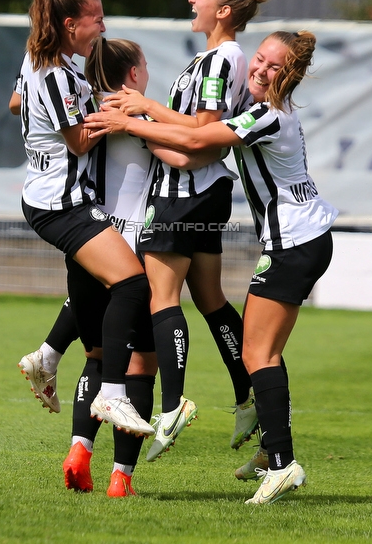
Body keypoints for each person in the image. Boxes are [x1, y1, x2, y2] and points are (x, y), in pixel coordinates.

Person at [87, 30, 339, 504]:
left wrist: (132, 122)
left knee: (257, 355)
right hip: (303, 240)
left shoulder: (266, 115)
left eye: (273, 68)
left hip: (294, 242)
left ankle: (283, 465)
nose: (260, 71)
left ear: (291, 77)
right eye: (260, 61)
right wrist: (144, 107)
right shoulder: (265, 110)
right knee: (259, 352)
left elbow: (196, 137)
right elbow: (190, 127)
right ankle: (271, 452)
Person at [17, 37, 209, 496]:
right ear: (135, 74)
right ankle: (120, 478)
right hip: (128, 247)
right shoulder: (134, 116)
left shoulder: (83, 109)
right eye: (144, 65)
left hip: (86, 240)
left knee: (99, 357)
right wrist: (212, 147)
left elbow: (22, 104)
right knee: (139, 365)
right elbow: (183, 154)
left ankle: (79, 449)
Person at [100, 0, 273, 462]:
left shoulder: (224, 58)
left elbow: (203, 131)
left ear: (223, 11)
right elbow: (196, 139)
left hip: (184, 194)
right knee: (212, 299)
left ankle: (173, 405)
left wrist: (140, 115)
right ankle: (248, 397)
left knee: (161, 298)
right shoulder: (215, 57)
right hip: (202, 189)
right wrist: (149, 122)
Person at [14, 0, 154, 443]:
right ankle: (111, 392)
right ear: (71, 24)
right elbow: (77, 143)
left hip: (55, 199)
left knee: (95, 292)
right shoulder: (55, 72)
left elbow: (16, 102)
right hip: (62, 204)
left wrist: (66, 109)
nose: (103, 26)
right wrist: (120, 117)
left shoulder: (38, 60)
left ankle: (47, 359)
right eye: (96, 19)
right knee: (132, 282)